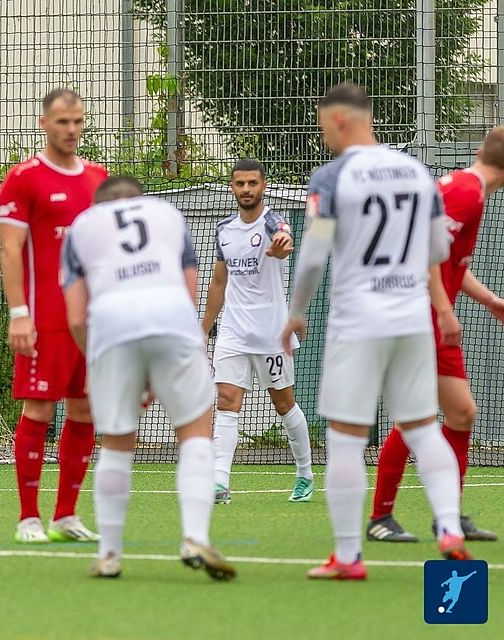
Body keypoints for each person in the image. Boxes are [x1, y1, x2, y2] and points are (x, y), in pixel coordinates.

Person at [280, 82, 470, 581]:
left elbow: (315, 253)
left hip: (358, 320)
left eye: (322, 125)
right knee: (424, 428)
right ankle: (449, 527)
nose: (323, 136)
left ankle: (348, 557)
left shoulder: (331, 178)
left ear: (340, 120)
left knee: (345, 437)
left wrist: (296, 310)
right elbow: (439, 250)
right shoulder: (418, 173)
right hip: (411, 318)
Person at [62, 176, 236, 580]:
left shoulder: (81, 227)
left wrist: (98, 361)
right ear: (140, 199)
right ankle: (195, 537)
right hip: (172, 317)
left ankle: (109, 554)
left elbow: (74, 316)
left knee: (117, 442)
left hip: (111, 324)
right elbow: (190, 288)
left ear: (99, 203)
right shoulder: (169, 214)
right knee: (195, 432)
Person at [367, 128, 504, 543]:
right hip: (421, 316)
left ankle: (450, 514)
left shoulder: (468, 189)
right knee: (417, 418)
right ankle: (380, 518)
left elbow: (450, 263)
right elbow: (423, 255)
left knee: (461, 413)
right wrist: (445, 312)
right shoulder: (466, 192)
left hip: (431, 315)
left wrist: (492, 302)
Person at [0, 88, 108, 543]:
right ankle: (28, 517)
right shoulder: (23, 178)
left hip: (92, 320)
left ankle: (66, 515)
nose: (72, 130)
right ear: (43, 123)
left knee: (86, 410)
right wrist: (19, 313)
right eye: (63, 122)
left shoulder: (99, 180)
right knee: (39, 407)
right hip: (43, 320)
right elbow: (10, 249)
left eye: (78, 121)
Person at [203, 158, 314, 504]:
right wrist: (202, 331)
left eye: (253, 183)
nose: (246, 189)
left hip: (270, 332)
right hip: (233, 332)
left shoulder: (272, 221)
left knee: (284, 404)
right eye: (240, 184)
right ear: (232, 187)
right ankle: (220, 482)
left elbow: (284, 237)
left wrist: (281, 244)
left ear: (263, 185)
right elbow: (219, 282)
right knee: (226, 401)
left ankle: (305, 473)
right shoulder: (224, 230)